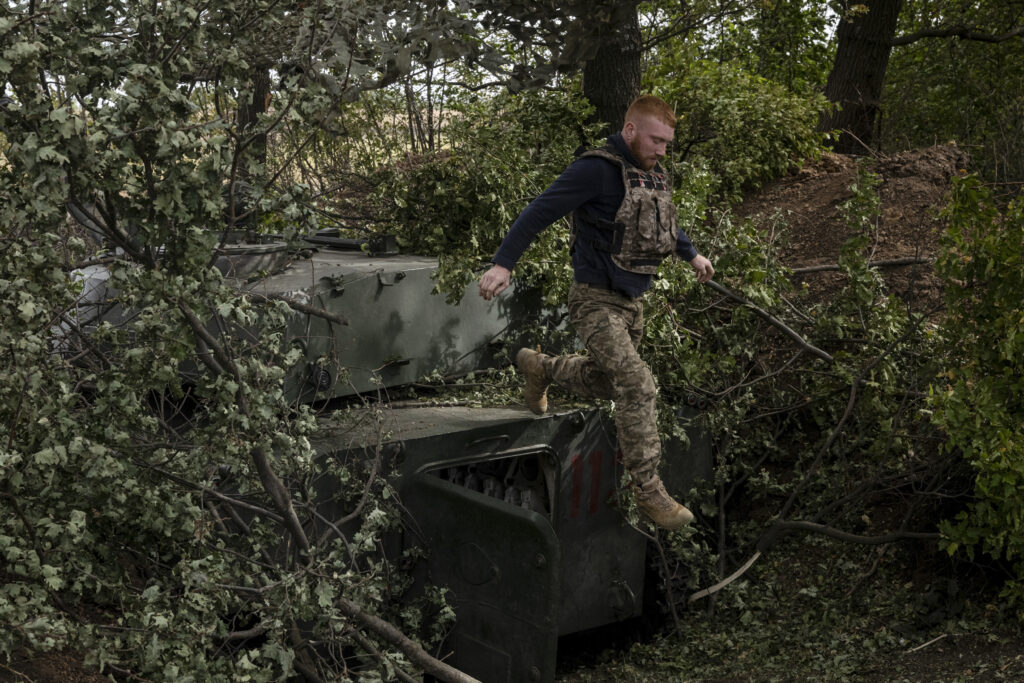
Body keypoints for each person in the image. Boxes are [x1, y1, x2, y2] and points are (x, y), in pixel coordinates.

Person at [477, 95, 714, 530]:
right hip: (594, 299)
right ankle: (648, 490)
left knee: (610, 382)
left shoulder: (651, 173)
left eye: (667, 142)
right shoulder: (595, 170)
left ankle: (540, 368)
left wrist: (692, 254)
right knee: (637, 383)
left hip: (632, 303)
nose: (663, 150)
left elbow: (664, 223)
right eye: (656, 140)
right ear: (630, 130)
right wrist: (503, 263)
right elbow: (540, 210)